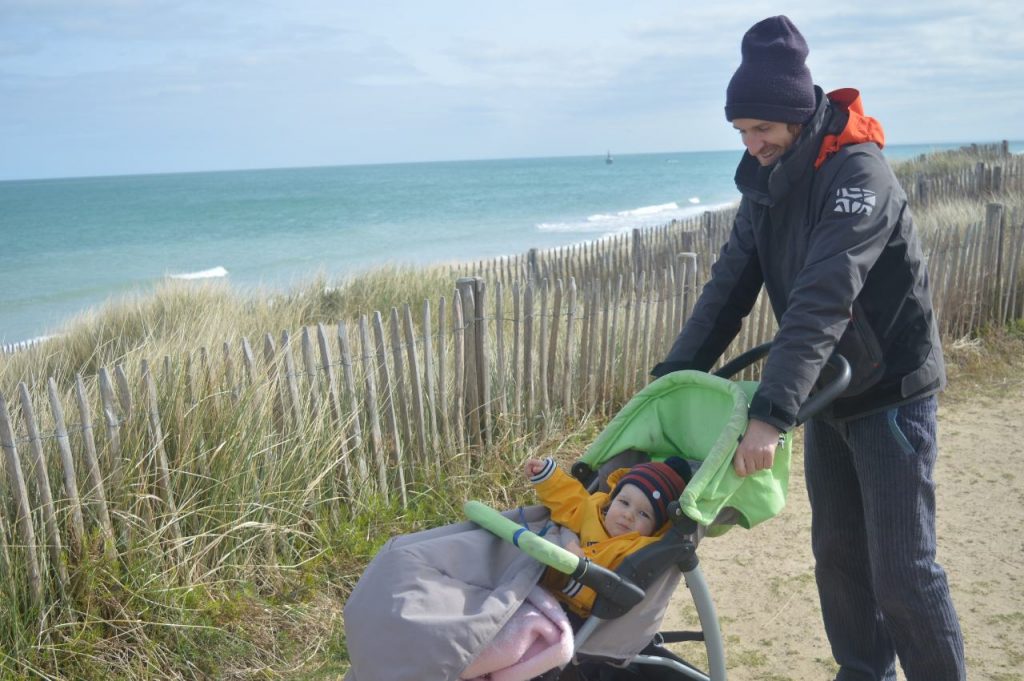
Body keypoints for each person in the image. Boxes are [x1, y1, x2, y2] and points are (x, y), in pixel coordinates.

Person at [651, 15, 966, 681]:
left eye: (761, 129)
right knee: (840, 561)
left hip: (889, 393)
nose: (752, 143)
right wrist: (669, 381)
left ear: (795, 116)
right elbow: (728, 288)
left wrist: (770, 412)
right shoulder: (768, 182)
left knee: (903, 571)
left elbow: (824, 297)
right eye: (741, 132)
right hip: (828, 393)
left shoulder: (859, 172)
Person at [524, 454, 691, 618]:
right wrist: (548, 477)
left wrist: (572, 578)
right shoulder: (594, 510)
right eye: (624, 503)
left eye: (643, 514)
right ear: (613, 499)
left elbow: (616, 587)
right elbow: (570, 501)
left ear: (655, 528)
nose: (628, 515)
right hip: (540, 586)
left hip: (575, 605)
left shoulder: (639, 548)